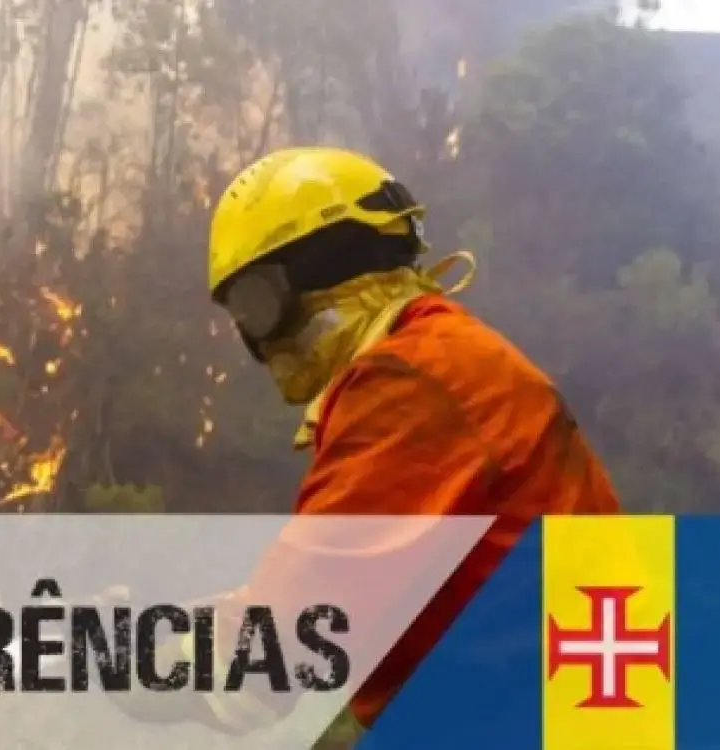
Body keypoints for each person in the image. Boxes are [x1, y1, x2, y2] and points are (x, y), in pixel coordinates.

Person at [103, 146, 620, 739]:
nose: (256, 342)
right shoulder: (444, 356)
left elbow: (274, 648)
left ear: (317, 273)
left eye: (254, 305)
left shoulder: (410, 385)